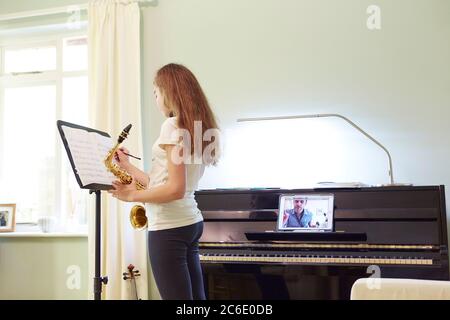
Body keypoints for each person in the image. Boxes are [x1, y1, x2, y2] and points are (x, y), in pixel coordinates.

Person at [108, 63, 220, 300]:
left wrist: (131, 196)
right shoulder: (195, 127)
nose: (156, 99)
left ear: (168, 93)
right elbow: (166, 183)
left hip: (169, 228)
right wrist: (128, 167)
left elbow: (174, 189)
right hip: (190, 223)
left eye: (156, 93)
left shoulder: (172, 126)